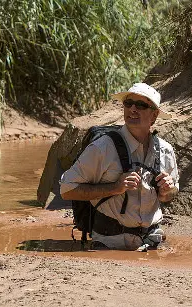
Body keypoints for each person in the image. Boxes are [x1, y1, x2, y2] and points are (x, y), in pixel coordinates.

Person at [59, 83, 179, 251]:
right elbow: (66, 189)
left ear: (154, 115)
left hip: (152, 241)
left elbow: (170, 196)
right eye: (128, 103)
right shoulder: (102, 148)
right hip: (109, 242)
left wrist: (167, 190)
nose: (133, 109)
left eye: (141, 105)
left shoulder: (165, 150)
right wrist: (115, 188)